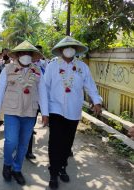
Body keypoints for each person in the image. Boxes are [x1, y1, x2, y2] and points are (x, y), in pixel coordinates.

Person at [44, 36, 102, 189]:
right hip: (55, 109)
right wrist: (44, 110)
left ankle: (62, 166)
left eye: (72, 47)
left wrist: (96, 101)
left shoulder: (82, 67)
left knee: (67, 142)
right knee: (55, 141)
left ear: (75, 50)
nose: (69, 50)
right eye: (66, 47)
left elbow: (90, 85)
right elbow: (45, 88)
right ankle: (53, 172)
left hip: (74, 110)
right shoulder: (52, 66)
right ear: (61, 50)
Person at [0, 40, 49, 186]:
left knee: (24, 143)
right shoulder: (7, 69)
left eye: (28, 53)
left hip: (30, 111)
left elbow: (42, 91)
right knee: (11, 141)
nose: (25, 56)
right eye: (22, 53)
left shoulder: (37, 71)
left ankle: (17, 169)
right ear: (17, 55)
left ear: (32, 56)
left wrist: (45, 113)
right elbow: (0, 91)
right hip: (12, 110)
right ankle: (7, 163)